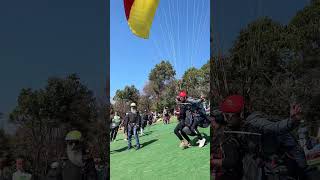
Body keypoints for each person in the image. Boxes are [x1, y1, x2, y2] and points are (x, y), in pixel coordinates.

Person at [219, 95, 320, 180]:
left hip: (292, 155)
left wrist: (293, 120)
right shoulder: (242, 127)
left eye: (228, 116)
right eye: (224, 116)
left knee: (306, 174)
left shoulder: (254, 122)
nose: (225, 119)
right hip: (275, 160)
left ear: (240, 114)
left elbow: (276, 127)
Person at [211, 113, 243, 180]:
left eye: (212, 122)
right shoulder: (219, 133)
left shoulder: (226, 137)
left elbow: (231, 161)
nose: (211, 125)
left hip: (228, 174)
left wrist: (212, 161)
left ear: (218, 122)